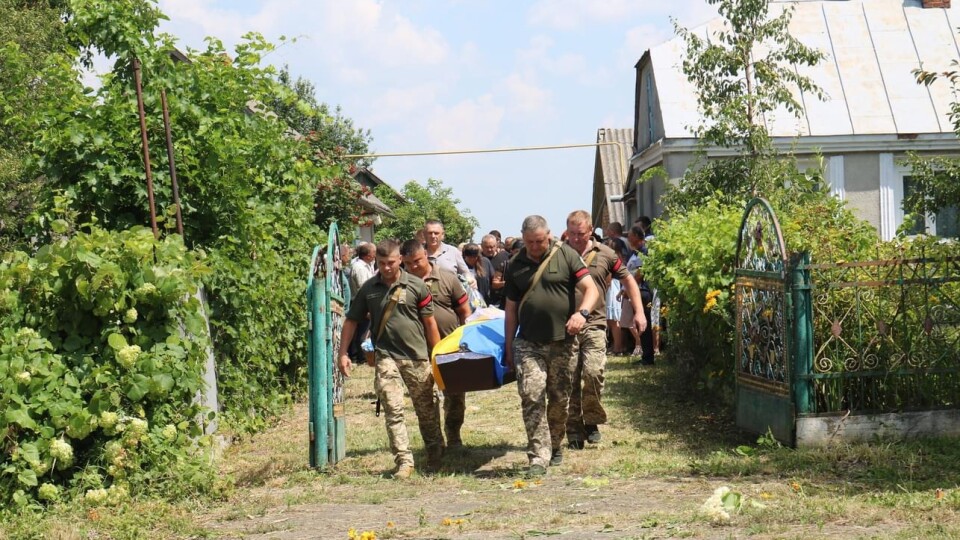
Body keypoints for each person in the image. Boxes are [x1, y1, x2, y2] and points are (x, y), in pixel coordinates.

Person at [336, 239, 444, 479]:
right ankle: (404, 461)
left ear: (400, 261)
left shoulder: (417, 286)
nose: (386, 268)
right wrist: (343, 353)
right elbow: (352, 320)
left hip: (416, 357)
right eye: (382, 263)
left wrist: (437, 356)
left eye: (391, 263)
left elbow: (430, 323)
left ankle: (435, 451)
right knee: (393, 408)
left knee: (427, 409)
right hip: (386, 355)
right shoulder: (369, 288)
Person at [503, 215, 600, 477]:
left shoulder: (566, 255)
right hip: (529, 343)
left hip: (562, 343)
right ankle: (538, 455)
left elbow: (591, 290)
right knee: (532, 395)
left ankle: (555, 443)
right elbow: (511, 309)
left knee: (559, 400)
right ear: (523, 239)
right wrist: (509, 345)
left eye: (540, 241)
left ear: (549, 235)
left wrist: (582, 314)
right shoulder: (515, 264)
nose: (535, 246)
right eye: (530, 242)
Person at [563, 211, 646, 449]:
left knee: (593, 372)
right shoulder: (559, 254)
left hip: (595, 323)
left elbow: (629, 279)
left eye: (580, 234)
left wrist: (639, 312)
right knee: (569, 378)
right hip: (566, 325)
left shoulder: (606, 254)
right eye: (571, 233)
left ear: (590, 231)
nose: (576, 238)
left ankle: (592, 418)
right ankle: (574, 430)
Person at [400, 239, 473, 448]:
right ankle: (434, 442)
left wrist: (464, 340)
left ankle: (454, 436)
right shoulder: (401, 282)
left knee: (455, 397)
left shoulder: (447, 277)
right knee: (426, 399)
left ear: (426, 255)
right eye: (408, 263)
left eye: (417, 261)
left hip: (448, 348)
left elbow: (464, 312)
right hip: (417, 351)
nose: (413, 267)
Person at [622, 223, 655, 365]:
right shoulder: (635, 252)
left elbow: (640, 273)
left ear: (636, 236)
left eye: (630, 236)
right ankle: (646, 355)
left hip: (643, 291)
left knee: (645, 324)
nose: (628, 239)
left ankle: (648, 358)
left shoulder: (644, 252)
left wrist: (630, 288)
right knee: (640, 325)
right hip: (637, 291)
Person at [347, 242, 377, 364]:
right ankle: (361, 357)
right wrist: (368, 307)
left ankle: (360, 355)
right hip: (362, 302)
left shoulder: (366, 265)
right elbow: (363, 288)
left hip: (365, 301)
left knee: (364, 329)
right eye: (374, 252)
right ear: (367, 255)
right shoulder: (359, 268)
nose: (375, 255)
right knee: (362, 331)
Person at [602, 238, 626, 355]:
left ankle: (618, 347)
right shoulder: (618, 258)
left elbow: (608, 278)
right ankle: (616, 346)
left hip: (612, 289)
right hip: (614, 287)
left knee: (613, 320)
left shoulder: (610, 259)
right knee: (612, 320)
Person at [482, 234, 509, 307]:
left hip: (500, 300)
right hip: (483, 300)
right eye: (487, 247)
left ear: (496, 246)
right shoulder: (478, 259)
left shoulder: (505, 257)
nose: (489, 249)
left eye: (492, 247)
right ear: (482, 246)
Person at [463, 242, 494, 307]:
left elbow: (492, 279)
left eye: (474, 257)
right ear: (465, 256)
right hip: (468, 302)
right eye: (469, 257)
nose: (472, 259)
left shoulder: (485, 262)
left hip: (484, 301)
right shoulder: (461, 265)